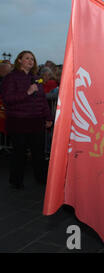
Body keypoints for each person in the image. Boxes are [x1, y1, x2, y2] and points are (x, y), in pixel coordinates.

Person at [0, 51, 53, 189]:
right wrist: (27, 93)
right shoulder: (10, 78)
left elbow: (43, 100)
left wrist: (48, 117)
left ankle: (41, 178)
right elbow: (7, 100)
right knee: (19, 154)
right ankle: (16, 181)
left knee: (39, 153)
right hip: (18, 122)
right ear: (19, 61)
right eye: (27, 58)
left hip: (36, 121)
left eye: (32, 59)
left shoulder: (37, 78)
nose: (30, 61)